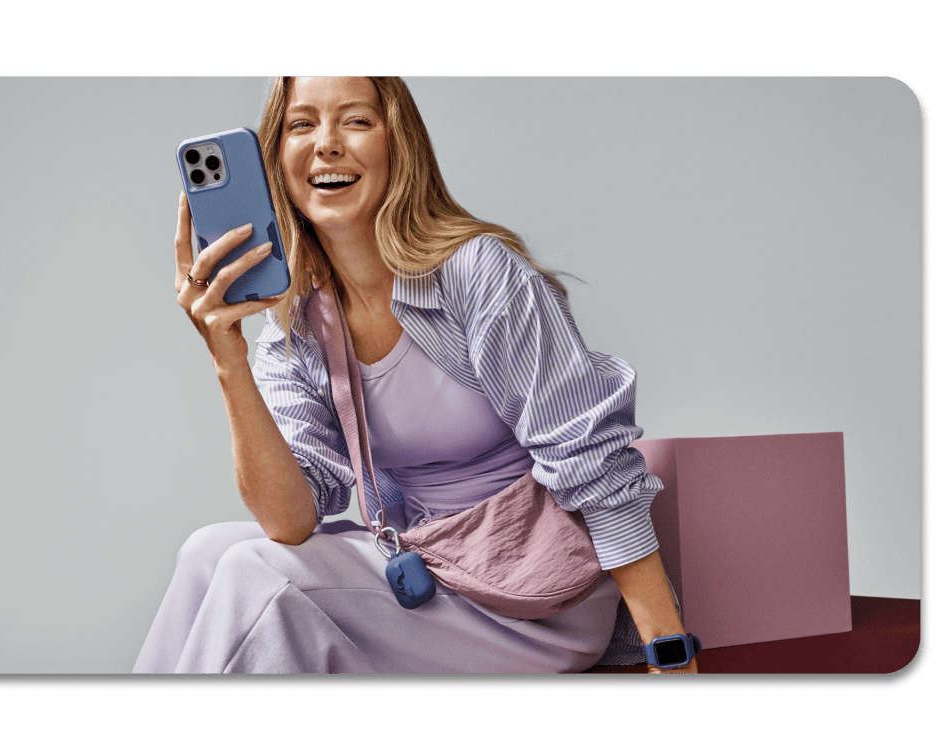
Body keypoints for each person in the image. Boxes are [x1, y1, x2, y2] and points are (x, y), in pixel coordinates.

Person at [134, 76, 697, 674]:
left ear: (397, 143)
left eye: (355, 120)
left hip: (539, 595)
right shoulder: (298, 324)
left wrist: (668, 653)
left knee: (256, 575)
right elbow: (291, 520)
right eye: (302, 125)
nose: (326, 145)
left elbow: (592, 461)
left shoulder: (479, 275)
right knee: (206, 553)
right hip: (430, 571)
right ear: (275, 158)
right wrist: (228, 356)